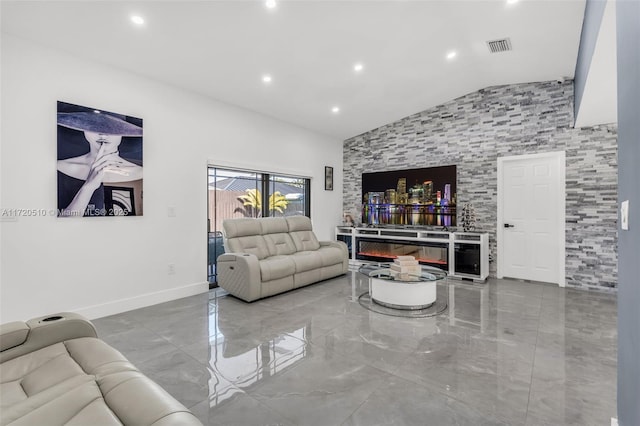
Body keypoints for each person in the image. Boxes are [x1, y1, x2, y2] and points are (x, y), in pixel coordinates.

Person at [57, 110, 142, 217]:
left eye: (113, 128)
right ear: (83, 129)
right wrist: (88, 188)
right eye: (94, 126)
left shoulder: (141, 173)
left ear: (123, 133)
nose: (103, 134)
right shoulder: (59, 168)